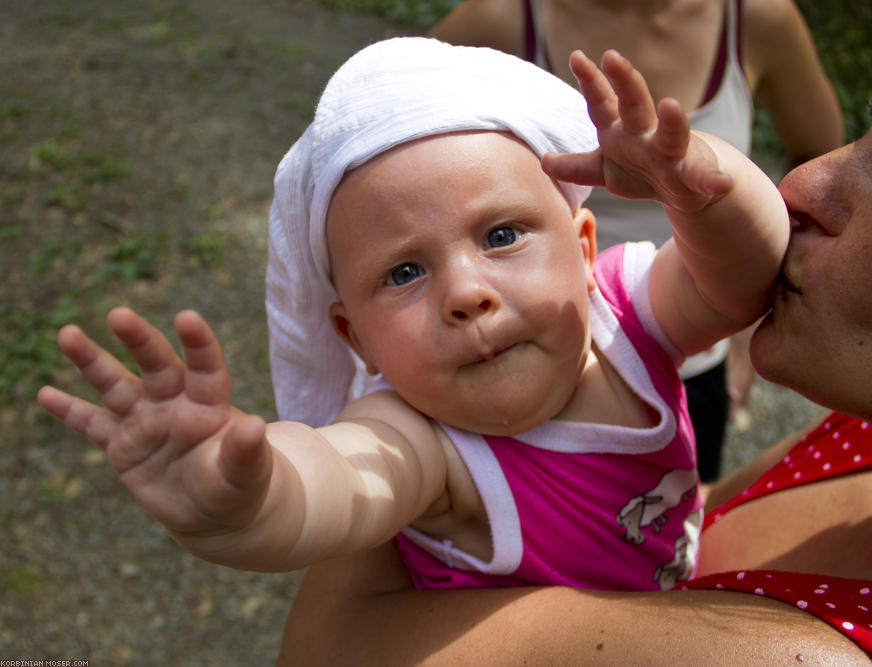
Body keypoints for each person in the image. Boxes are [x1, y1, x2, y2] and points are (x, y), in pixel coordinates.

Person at [277, 1, 872, 664]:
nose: (803, 180)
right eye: (405, 271)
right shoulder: (865, 435)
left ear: (586, 247)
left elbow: (319, 644)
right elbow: (659, 510)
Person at [36, 38, 788, 591]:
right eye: (404, 272)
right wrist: (247, 496)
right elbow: (337, 481)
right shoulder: (427, 442)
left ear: (585, 247)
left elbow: (745, 272)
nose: (465, 292)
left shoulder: (626, 314)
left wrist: (701, 185)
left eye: (501, 235)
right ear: (353, 337)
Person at [430, 0, 846, 481]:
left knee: (668, 536)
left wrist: (755, 317)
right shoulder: (502, 18)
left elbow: (821, 167)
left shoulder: (758, 18)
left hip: (692, 353)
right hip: (524, 357)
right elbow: (375, 142)